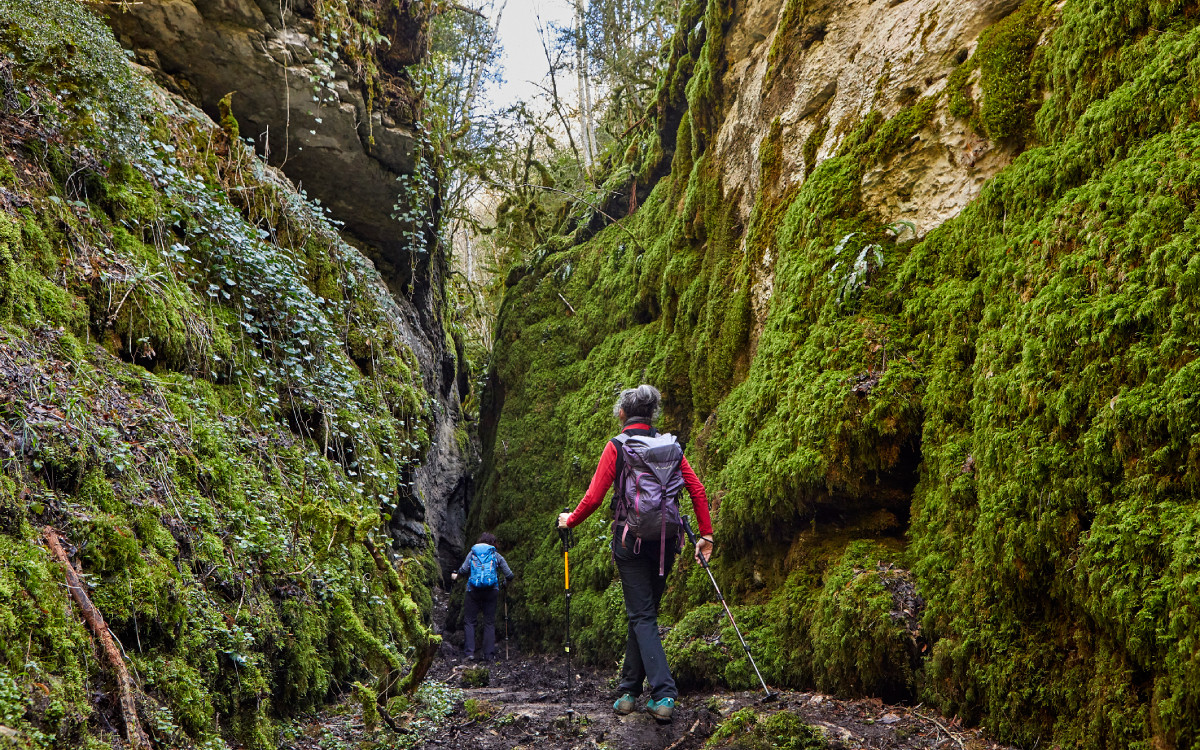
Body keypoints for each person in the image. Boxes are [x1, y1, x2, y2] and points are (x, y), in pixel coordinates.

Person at [557, 385, 713, 722]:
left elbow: (595, 497)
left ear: (622, 414)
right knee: (643, 614)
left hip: (630, 543)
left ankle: (665, 694)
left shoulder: (617, 446)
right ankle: (628, 691)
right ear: (652, 414)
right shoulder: (671, 447)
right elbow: (697, 490)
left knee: (642, 616)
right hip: (666, 543)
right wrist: (707, 536)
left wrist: (570, 520)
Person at [452, 532, 514, 662]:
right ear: (493, 543)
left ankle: (469, 653)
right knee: (489, 622)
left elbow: (463, 570)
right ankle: (489, 655)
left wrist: (456, 576)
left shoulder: (473, 553)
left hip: (473, 590)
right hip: (492, 591)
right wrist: (504, 583)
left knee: (469, 621)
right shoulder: (495, 555)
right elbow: (509, 574)